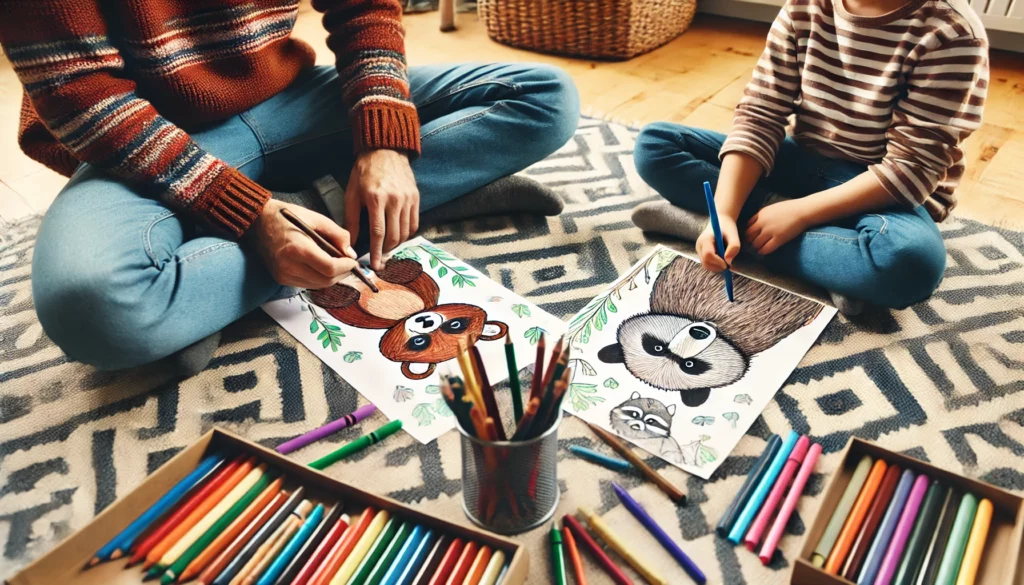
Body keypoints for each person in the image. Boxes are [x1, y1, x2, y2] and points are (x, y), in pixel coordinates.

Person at [0, 0, 579, 374]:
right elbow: (79, 92)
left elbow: (365, 7)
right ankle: (405, 204)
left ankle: (208, 283)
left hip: (291, 101)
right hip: (140, 132)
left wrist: (385, 141)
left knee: (544, 98)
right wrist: (252, 219)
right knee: (94, 312)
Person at [630, 0, 988, 315]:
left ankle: (713, 227)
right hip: (804, 160)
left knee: (911, 264)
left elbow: (910, 170)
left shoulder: (953, 32)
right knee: (656, 144)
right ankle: (824, 261)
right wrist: (723, 210)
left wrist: (800, 213)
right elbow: (761, 114)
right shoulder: (806, 6)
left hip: (880, 191)